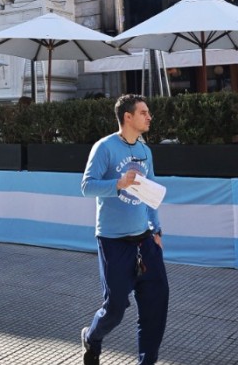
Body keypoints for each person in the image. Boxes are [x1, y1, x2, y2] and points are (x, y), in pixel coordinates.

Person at [80, 95, 168, 365]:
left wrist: (157, 231)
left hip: (145, 241)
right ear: (127, 117)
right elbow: (87, 187)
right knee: (116, 308)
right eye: (143, 112)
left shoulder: (145, 150)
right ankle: (92, 337)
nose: (149, 116)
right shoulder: (104, 148)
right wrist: (118, 183)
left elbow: (150, 193)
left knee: (156, 307)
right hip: (113, 242)